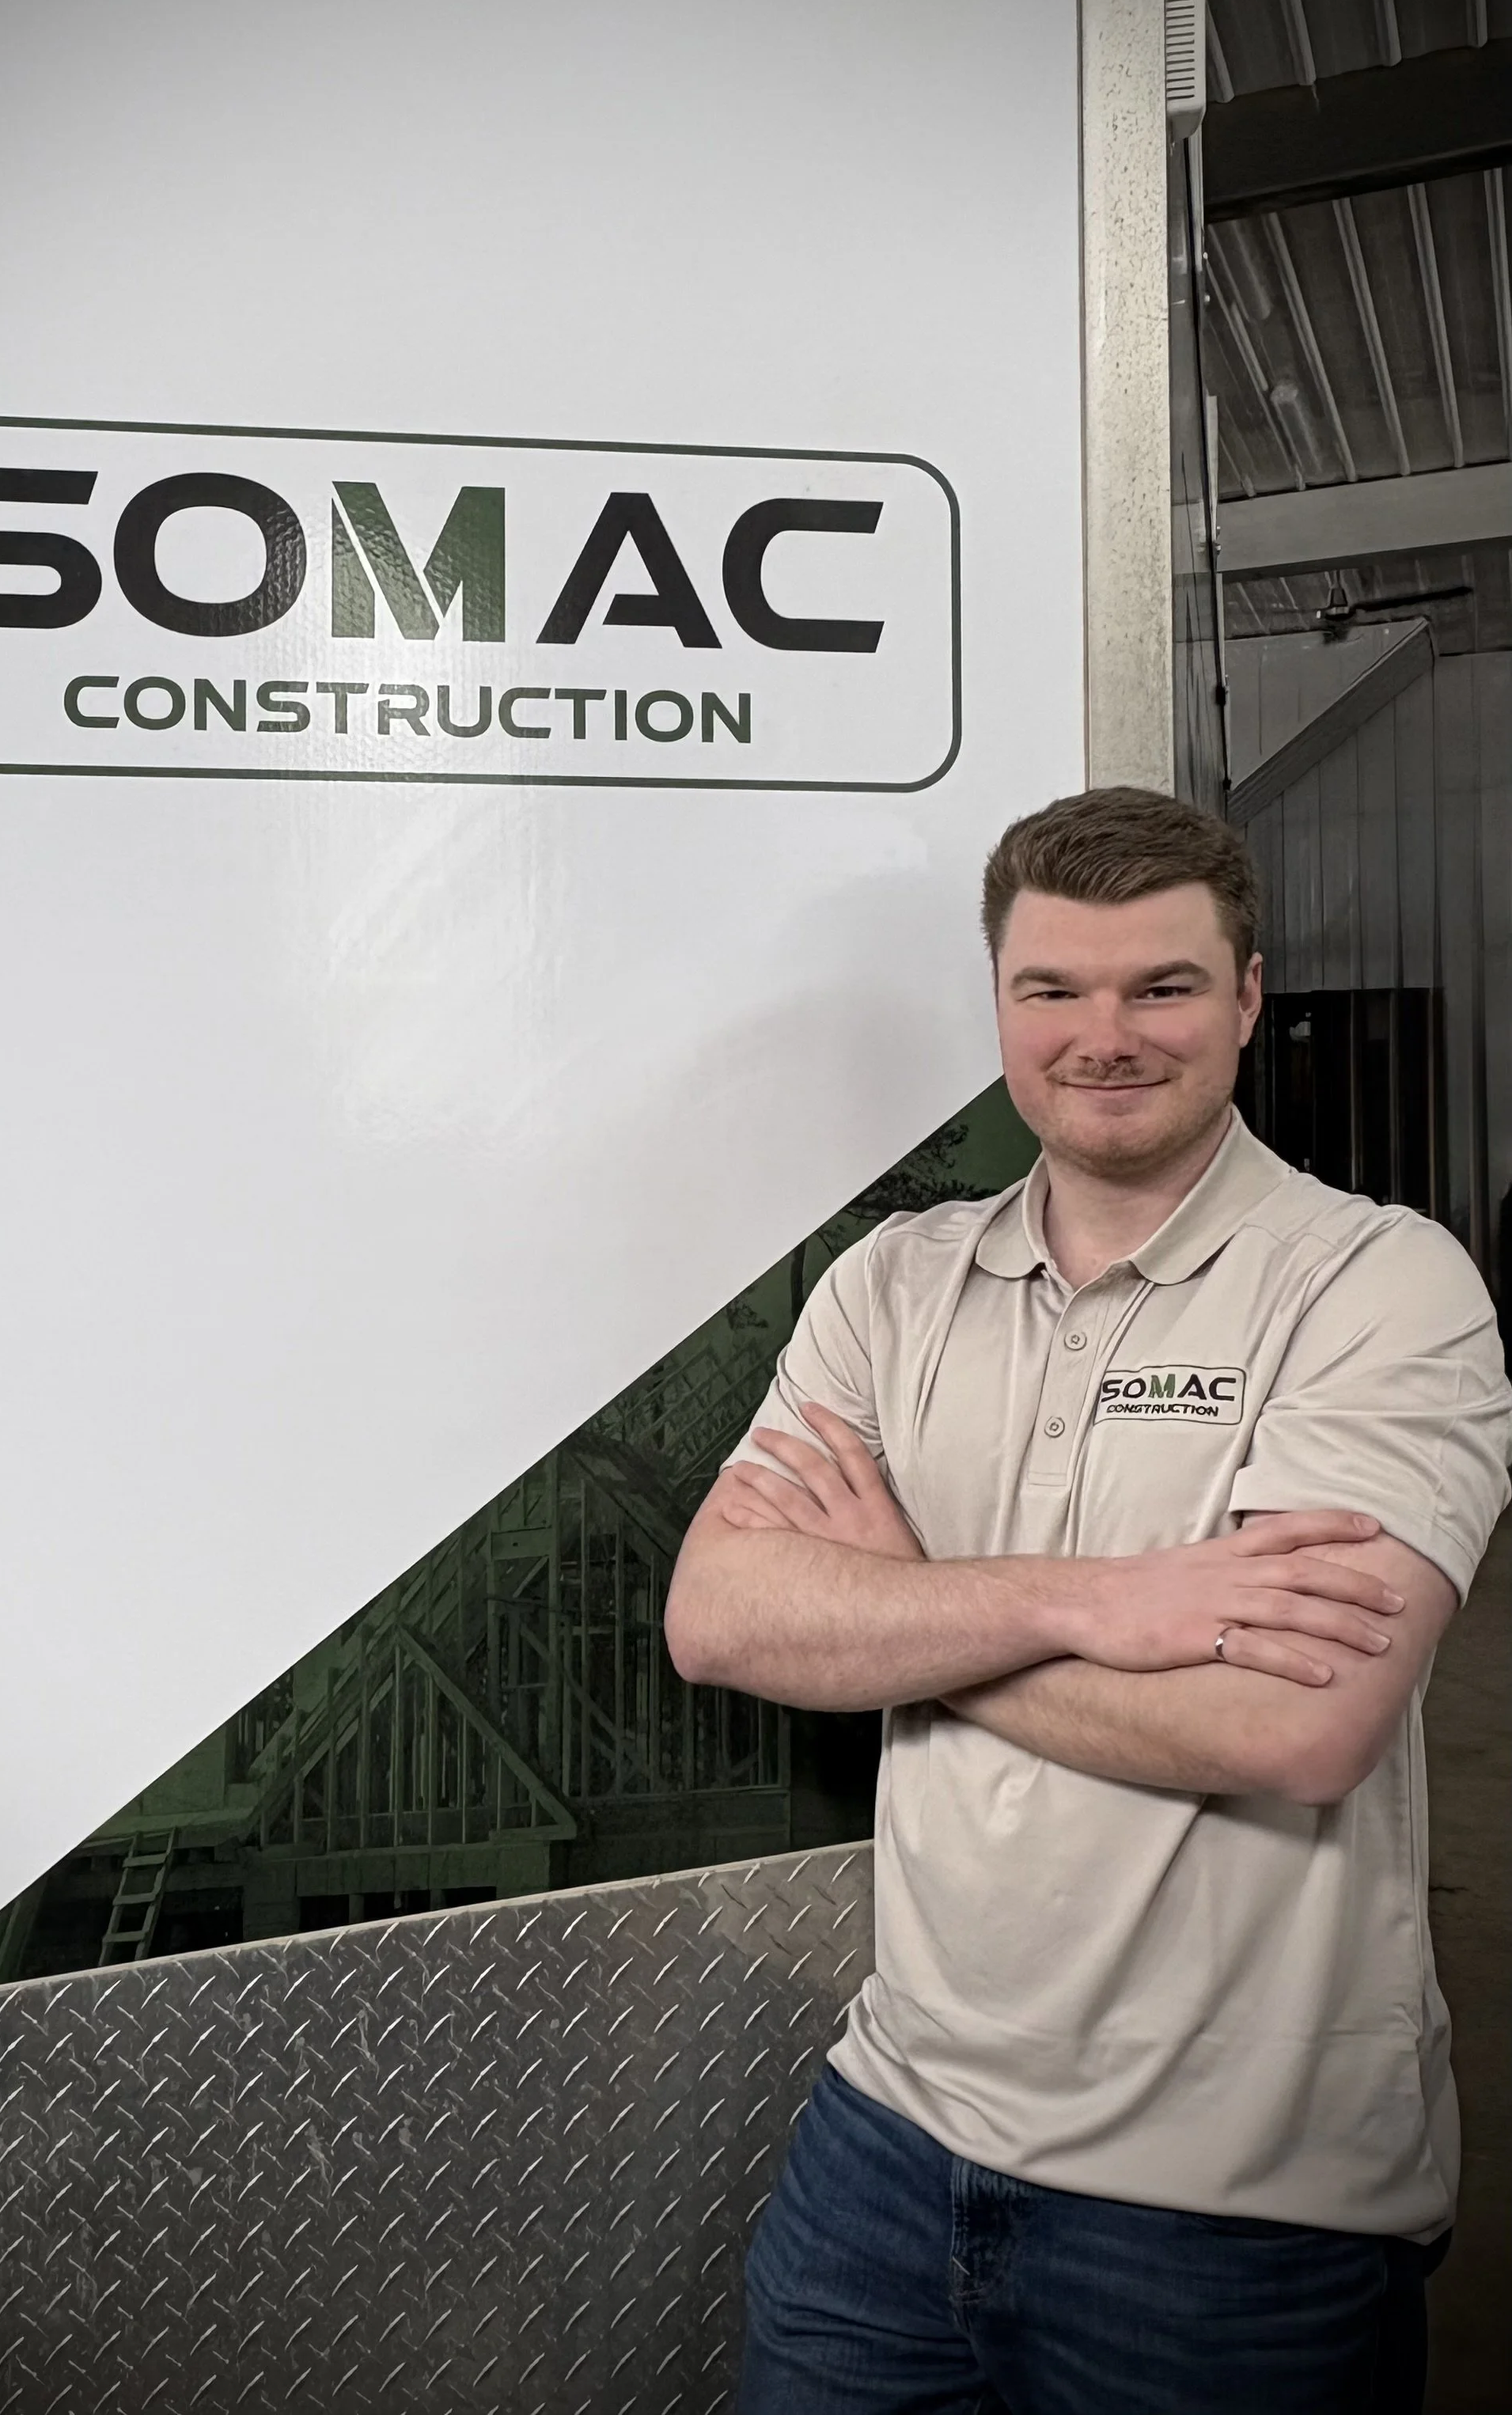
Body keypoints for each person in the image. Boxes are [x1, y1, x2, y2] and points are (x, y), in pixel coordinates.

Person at [665, 787, 1510, 2415]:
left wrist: (902, 1613)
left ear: (1248, 998)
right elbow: (720, 1618)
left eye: (1161, 988)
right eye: (1050, 990)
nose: (1101, 1035)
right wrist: (1090, 1603)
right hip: (888, 2143)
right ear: (998, 1006)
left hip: (1234, 2209)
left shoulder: (1376, 1288)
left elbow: (1292, 1726)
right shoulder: (894, 1286)